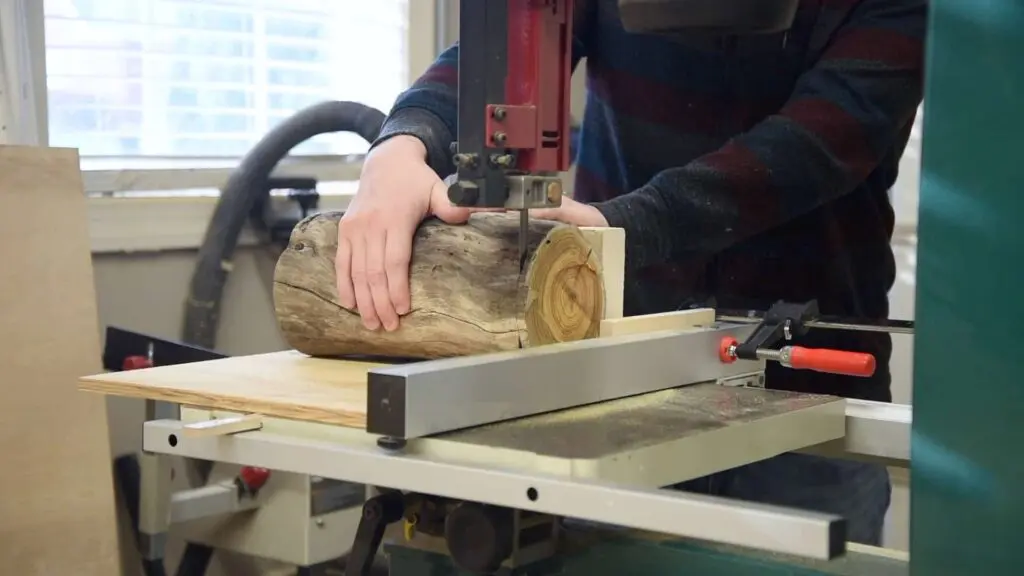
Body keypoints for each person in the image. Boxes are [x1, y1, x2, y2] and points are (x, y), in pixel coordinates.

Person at [336, 0, 926, 545]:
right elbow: (509, 45)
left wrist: (623, 228)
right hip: (622, 383)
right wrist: (404, 141)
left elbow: (813, 149)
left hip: (810, 400)